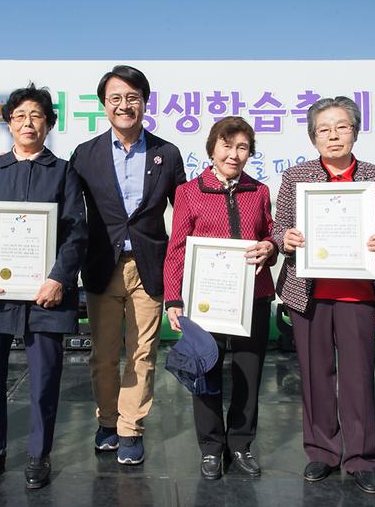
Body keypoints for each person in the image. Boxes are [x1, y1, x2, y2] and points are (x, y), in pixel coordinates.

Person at [272, 96, 375, 494]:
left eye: (341, 127)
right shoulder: (296, 177)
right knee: (314, 376)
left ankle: (361, 458)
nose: (333, 136)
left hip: (360, 295)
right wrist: (288, 239)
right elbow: (278, 228)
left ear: (355, 131)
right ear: (313, 137)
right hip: (309, 295)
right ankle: (321, 452)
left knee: (359, 379)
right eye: (324, 129)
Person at [0, 84, 87, 490]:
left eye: (37, 115)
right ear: (9, 123)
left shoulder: (64, 172)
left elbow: (76, 232)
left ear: (48, 124)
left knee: (45, 378)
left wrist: (58, 278)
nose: (28, 123)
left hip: (45, 295)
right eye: (20, 116)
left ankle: (38, 454)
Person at [70, 65, 186, 465]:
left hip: (149, 265)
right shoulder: (85, 155)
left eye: (132, 98)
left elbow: (185, 214)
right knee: (103, 354)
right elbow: (70, 214)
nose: (124, 105)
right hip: (102, 266)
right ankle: (106, 421)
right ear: (104, 105)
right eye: (116, 98)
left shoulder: (166, 154)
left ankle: (131, 427)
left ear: (144, 103)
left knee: (142, 353)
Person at [162, 116, 277, 480]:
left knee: (249, 374)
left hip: (252, 300)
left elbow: (271, 234)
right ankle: (211, 448)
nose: (234, 154)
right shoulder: (188, 192)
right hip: (204, 302)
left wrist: (270, 247)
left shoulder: (258, 192)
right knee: (205, 372)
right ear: (212, 148)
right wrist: (173, 298)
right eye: (227, 145)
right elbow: (177, 249)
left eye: (242, 147)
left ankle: (241, 444)